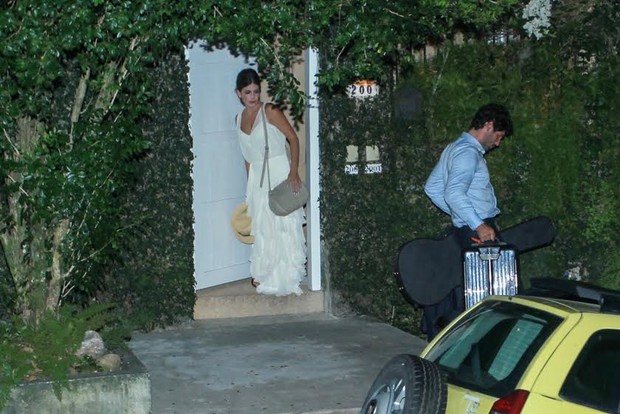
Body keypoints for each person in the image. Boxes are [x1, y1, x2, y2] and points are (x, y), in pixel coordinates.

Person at [422, 103, 513, 338]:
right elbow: (453, 193)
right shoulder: (467, 152)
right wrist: (478, 223)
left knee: (478, 291)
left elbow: (432, 188)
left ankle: (452, 335)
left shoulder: (454, 148)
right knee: (493, 294)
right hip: (479, 230)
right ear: (489, 126)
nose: (498, 143)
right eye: (499, 136)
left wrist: (460, 215)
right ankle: (463, 340)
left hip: (471, 228)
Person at [234, 68, 306, 296]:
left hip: (278, 170)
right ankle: (265, 274)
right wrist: (250, 189)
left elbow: (293, 139)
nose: (253, 96)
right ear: (239, 94)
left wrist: (293, 172)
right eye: (248, 92)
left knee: (283, 226)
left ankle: (285, 278)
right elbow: (247, 157)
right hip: (257, 177)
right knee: (263, 228)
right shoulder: (237, 119)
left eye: (256, 91)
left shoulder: (270, 110)